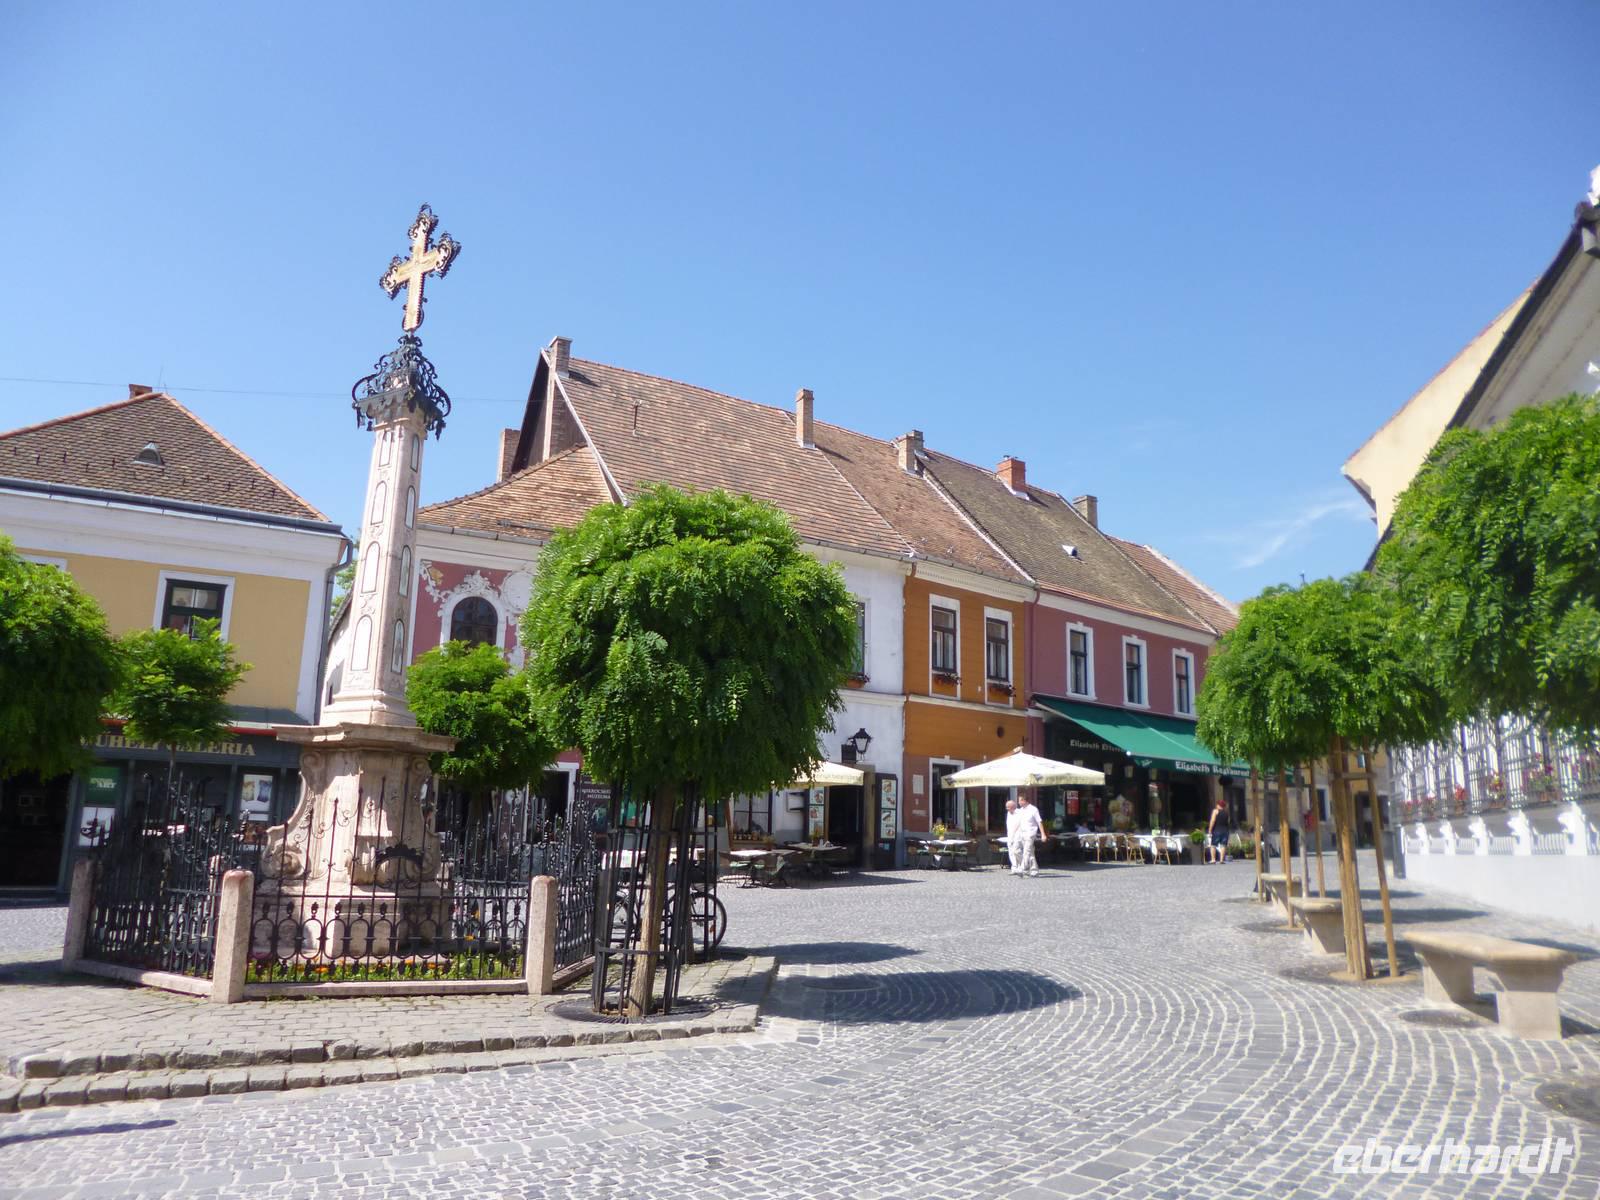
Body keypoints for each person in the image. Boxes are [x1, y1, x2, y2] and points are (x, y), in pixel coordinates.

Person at [1015, 794, 1046, 877]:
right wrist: (1015, 833)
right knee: (1024, 851)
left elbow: (1039, 822)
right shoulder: (1020, 810)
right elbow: (1019, 823)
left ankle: (1023, 869)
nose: (1018, 802)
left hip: (1030, 833)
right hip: (1022, 834)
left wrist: (1043, 834)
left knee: (1026, 851)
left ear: (1024, 800)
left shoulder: (1033, 809)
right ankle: (1034, 870)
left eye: (1020, 800)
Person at [1206, 795, 1231, 864]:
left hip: (1217, 830)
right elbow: (1228, 822)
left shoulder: (1215, 811)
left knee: (1213, 845)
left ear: (1218, 805)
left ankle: (1213, 859)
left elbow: (1213, 821)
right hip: (1225, 830)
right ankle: (1221, 860)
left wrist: (1210, 830)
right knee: (1223, 845)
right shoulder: (1227, 812)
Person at [1003, 799, 1023, 875]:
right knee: (1011, 852)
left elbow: (1019, 824)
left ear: (1013, 806)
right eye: (1006, 807)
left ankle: (1023, 865)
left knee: (1016, 851)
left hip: (1018, 835)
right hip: (1010, 835)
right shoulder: (1008, 813)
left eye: (1008, 807)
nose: (1007, 809)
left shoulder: (1019, 813)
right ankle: (1014, 868)